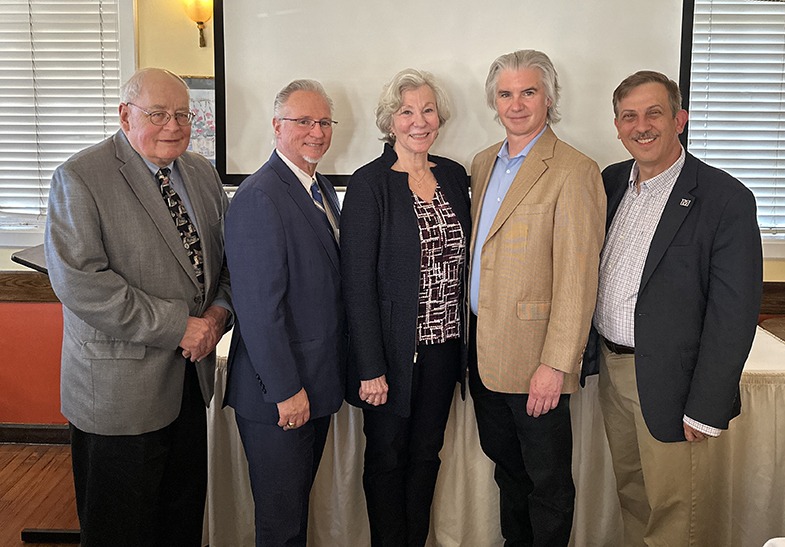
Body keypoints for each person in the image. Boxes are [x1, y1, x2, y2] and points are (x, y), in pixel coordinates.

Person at [44, 67, 232, 546]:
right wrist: (179, 327)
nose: (173, 125)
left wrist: (215, 317)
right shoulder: (80, 177)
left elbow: (228, 262)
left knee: (182, 518)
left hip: (191, 380)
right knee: (118, 530)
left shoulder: (202, 173)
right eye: (158, 114)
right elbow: (83, 284)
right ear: (125, 115)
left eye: (182, 115)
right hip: (118, 393)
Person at [582, 70, 762, 546]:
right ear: (617, 126)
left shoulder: (726, 199)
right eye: (629, 116)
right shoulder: (612, 181)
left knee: (675, 513)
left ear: (679, 119)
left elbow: (735, 314)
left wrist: (706, 405)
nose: (641, 126)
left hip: (673, 383)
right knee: (633, 496)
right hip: (613, 371)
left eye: (653, 113)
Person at [468, 50, 606, 546]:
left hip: (536, 362)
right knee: (509, 473)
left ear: (549, 97)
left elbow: (578, 276)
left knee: (547, 484)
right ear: (494, 101)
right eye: (506, 93)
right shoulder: (483, 163)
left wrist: (555, 363)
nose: (517, 103)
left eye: (528, 92)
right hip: (483, 351)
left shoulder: (574, 169)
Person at [340, 68, 471, 547]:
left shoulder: (455, 177)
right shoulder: (368, 184)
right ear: (390, 121)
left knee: (426, 456)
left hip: (443, 349)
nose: (419, 121)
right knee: (387, 459)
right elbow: (357, 284)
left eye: (428, 110)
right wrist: (371, 367)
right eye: (407, 111)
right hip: (391, 357)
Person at [224, 79, 346, 546]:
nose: (316, 132)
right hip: (278, 396)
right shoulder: (260, 195)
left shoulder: (321, 188)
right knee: (280, 527)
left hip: (313, 385)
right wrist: (286, 390)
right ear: (277, 126)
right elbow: (258, 309)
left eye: (323, 122)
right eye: (302, 122)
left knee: (294, 516)